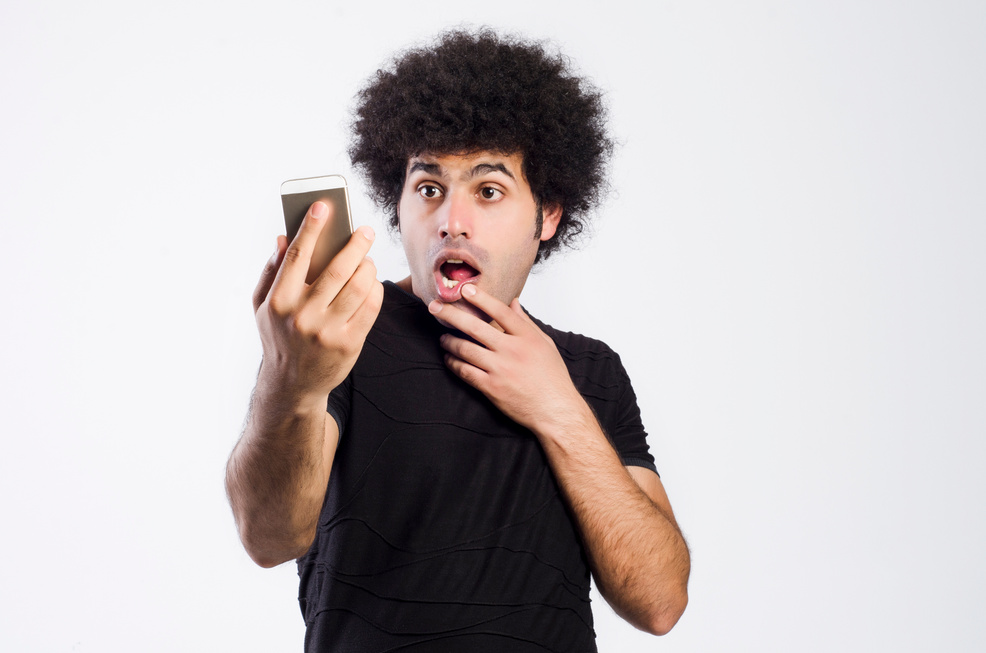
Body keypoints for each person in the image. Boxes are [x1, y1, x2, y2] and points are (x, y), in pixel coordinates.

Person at [226, 28, 690, 652]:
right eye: (428, 189)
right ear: (398, 205)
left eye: (489, 190)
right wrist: (293, 382)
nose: (451, 220)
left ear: (547, 214)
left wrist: (558, 408)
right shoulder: (342, 331)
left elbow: (660, 602)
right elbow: (269, 537)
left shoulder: (590, 370)